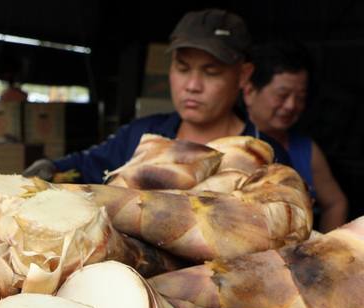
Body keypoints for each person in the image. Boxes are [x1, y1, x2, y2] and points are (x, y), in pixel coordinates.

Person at [24, 8, 290, 183]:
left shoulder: (265, 155)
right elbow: (86, 165)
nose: (192, 85)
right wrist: (49, 167)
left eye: (210, 72)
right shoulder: (143, 136)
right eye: (182, 68)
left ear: (243, 76)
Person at [243, 42, 348, 231]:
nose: (291, 105)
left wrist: (326, 248)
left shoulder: (306, 149)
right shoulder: (232, 143)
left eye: (300, 97)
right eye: (282, 95)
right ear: (249, 92)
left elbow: (335, 203)